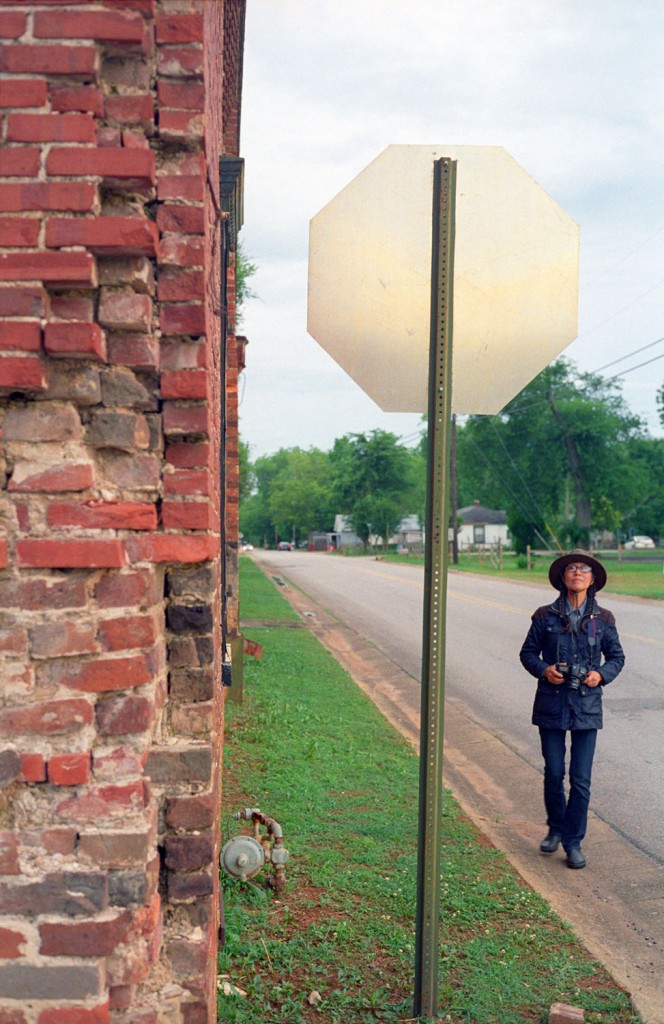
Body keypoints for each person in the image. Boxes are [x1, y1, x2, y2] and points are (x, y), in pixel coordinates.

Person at [519, 549, 625, 869]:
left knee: (580, 779)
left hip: (586, 705)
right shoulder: (544, 615)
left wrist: (600, 675)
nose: (577, 573)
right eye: (571, 568)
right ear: (563, 577)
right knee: (553, 773)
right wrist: (543, 669)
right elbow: (527, 653)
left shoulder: (604, 619)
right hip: (551, 702)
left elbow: (617, 658)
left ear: (592, 580)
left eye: (584, 569)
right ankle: (555, 828)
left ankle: (573, 841)